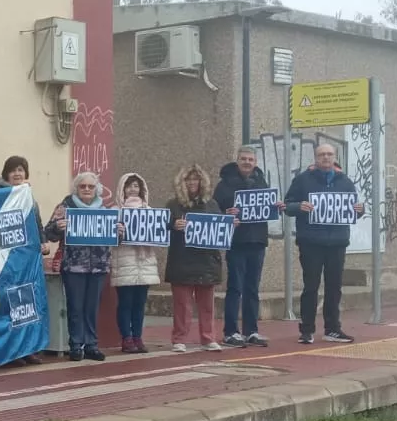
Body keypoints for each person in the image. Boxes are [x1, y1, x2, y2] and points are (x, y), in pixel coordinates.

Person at [284, 142, 366, 344]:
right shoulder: (302, 180)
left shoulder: (345, 181)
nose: (326, 158)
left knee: (334, 287)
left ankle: (333, 329)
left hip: (337, 242)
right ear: (315, 157)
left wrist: (360, 210)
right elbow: (287, 205)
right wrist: (298, 206)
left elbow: (354, 207)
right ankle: (307, 330)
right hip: (311, 241)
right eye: (322, 155)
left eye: (329, 154)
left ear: (335, 157)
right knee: (311, 286)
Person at [45, 171, 121, 361]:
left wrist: (119, 232)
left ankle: (92, 345)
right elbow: (49, 233)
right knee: (75, 307)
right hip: (73, 266)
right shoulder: (65, 207)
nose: (87, 189)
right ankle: (76, 345)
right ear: (76, 188)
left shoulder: (104, 210)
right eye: (82, 186)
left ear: (97, 190)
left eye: (90, 186)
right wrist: (57, 227)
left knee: (92, 307)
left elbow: (114, 239)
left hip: (98, 266)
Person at [214, 146, 284, 347]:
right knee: (235, 287)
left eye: (250, 159)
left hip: (258, 241)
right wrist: (226, 214)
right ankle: (230, 332)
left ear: (255, 162)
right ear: (237, 161)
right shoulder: (224, 185)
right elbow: (214, 211)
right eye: (243, 159)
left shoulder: (261, 181)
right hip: (236, 242)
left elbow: (265, 208)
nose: (247, 162)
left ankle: (251, 330)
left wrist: (275, 207)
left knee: (252, 288)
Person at [165, 164, 226, 353]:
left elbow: (219, 230)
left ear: (202, 182)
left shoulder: (212, 204)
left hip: (207, 261)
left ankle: (208, 338)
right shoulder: (173, 205)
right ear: (182, 182)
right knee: (182, 305)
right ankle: (179, 339)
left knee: (207, 304)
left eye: (196, 179)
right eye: (188, 179)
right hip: (181, 259)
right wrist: (174, 226)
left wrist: (230, 224)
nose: (192, 182)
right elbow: (161, 230)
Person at [0, 155, 44, 365]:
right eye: (13, 170)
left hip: (26, 261)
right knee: (6, 305)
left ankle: (27, 349)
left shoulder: (29, 197)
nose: (17, 174)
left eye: (21, 170)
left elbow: (37, 223)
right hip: (4, 262)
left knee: (26, 305)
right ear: (6, 174)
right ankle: (10, 352)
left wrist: (43, 241)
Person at [112, 172, 160, 354]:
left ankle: (138, 337)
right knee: (125, 302)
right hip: (124, 263)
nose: (133, 189)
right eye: (129, 186)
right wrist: (117, 233)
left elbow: (158, 237)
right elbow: (107, 239)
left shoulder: (149, 211)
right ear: (122, 189)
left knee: (140, 303)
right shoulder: (115, 211)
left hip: (145, 263)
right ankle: (126, 338)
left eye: (136, 186)